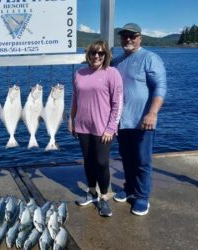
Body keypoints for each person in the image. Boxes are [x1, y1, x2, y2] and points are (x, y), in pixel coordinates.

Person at [112, 23, 167, 216]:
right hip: (121, 121)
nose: (128, 39)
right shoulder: (117, 61)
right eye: (124, 36)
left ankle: (142, 196)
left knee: (143, 161)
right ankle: (129, 189)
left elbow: (160, 87)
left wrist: (152, 113)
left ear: (140, 38)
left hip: (142, 121)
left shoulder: (150, 58)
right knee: (126, 158)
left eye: (132, 36)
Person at [69, 40, 123, 217]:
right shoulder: (79, 73)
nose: (97, 56)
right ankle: (92, 192)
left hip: (103, 128)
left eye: (101, 53)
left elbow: (117, 103)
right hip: (83, 126)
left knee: (101, 162)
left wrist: (111, 127)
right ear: (88, 55)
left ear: (106, 55)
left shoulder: (112, 73)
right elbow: (75, 100)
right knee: (88, 161)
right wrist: (71, 119)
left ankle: (104, 197)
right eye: (93, 53)